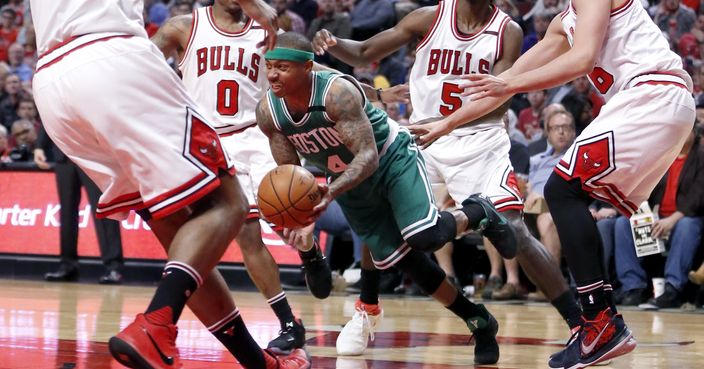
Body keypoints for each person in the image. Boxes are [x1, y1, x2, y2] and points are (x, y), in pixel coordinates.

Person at [410, 0, 696, 367]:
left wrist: (507, 81)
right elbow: (502, 87)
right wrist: (445, 123)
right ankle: (603, 323)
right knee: (569, 192)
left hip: (653, 93)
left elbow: (581, 60)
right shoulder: (564, 23)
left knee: (560, 189)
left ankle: (598, 322)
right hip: (655, 104)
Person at [30, 0, 311, 368]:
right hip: (110, 55)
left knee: (183, 242)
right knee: (230, 203)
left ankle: (259, 363)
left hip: (52, 84)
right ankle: (154, 324)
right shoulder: (190, 27)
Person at [312, 0, 582, 355]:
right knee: (382, 211)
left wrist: (448, 125)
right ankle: (367, 308)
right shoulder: (429, 17)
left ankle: (581, 324)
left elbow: (499, 101)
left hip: (478, 140)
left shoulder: (507, 31)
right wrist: (332, 43)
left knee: (515, 230)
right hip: (424, 137)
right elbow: (363, 53)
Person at [258, 32, 518, 365]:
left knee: (424, 236)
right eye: (269, 67)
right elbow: (290, 175)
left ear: (308, 68)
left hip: (389, 157)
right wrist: (302, 223)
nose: (273, 75)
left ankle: (479, 211)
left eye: (282, 67)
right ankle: (478, 319)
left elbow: (368, 157)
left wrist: (330, 193)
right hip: (348, 181)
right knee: (407, 263)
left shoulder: (335, 93)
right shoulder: (270, 112)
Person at [613, 126, 703, 309]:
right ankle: (633, 287)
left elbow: (698, 197)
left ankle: (672, 288)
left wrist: (672, 220)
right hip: (659, 216)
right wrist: (646, 214)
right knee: (623, 223)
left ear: (694, 131)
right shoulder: (664, 156)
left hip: (687, 217)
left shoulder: (701, 156)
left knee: (686, 226)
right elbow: (647, 189)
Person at [35, 128, 125, 284]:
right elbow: (49, 112)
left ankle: (113, 267)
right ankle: (67, 265)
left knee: (103, 208)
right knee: (67, 213)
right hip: (64, 155)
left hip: (93, 155)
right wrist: (39, 145)